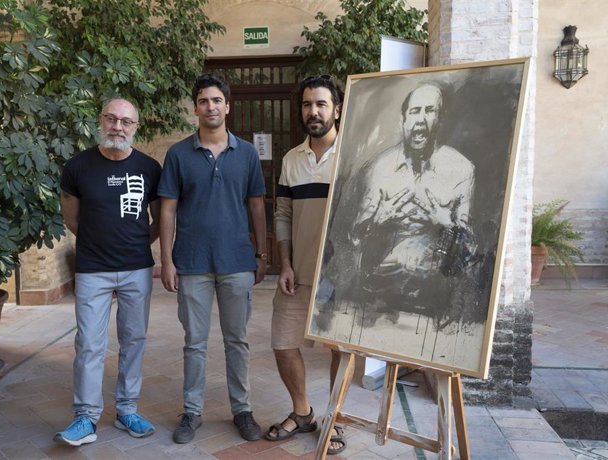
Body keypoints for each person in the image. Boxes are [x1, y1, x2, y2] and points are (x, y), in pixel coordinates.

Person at [158, 73, 267, 444]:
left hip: (237, 261)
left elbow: (256, 205)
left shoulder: (247, 153)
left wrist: (262, 253)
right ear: (195, 108)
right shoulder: (178, 154)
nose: (210, 107)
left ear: (227, 106)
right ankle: (191, 412)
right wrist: (168, 261)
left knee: (237, 340)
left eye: (216, 100)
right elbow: (167, 210)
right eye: (204, 101)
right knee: (195, 342)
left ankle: (242, 410)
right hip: (191, 263)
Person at [54, 98, 161, 446]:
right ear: (101, 120)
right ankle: (85, 418)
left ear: (135, 127)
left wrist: (134, 243)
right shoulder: (78, 166)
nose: (118, 127)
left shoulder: (149, 168)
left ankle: (127, 409)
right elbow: (72, 219)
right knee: (89, 344)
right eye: (112, 119)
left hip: (136, 269)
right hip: (92, 269)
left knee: (134, 340)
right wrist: (99, 242)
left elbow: (159, 219)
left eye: (125, 122)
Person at [325, 83, 475, 329]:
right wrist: (379, 218)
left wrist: (445, 222)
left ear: (440, 118)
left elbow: (470, 245)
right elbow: (355, 235)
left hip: (434, 294)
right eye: (415, 111)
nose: (421, 119)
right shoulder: (379, 168)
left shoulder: (461, 168)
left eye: (429, 111)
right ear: (404, 119)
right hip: (381, 294)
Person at [264, 75, 347, 455]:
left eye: (321, 104)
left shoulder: (353, 155)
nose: (313, 111)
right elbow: (282, 214)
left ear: (337, 109)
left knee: (340, 352)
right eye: (307, 105)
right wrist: (284, 263)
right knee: (283, 344)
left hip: (340, 277)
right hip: (296, 275)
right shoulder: (291, 160)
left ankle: (336, 419)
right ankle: (303, 414)